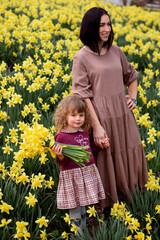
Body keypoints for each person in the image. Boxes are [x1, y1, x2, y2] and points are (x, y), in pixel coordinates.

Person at [72, 7, 148, 215]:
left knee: (130, 151)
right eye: (101, 25)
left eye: (108, 24)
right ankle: (107, 209)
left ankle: (132, 201)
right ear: (90, 28)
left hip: (124, 116)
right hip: (101, 117)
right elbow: (82, 96)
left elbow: (131, 76)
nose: (106, 29)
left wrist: (133, 98)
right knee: (107, 159)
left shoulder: (116, 51)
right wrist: (96, 127)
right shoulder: (81, 58)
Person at [51, 94, 108, 234]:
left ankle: (83, 230)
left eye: (81, 115)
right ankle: (78, 234)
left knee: (82, 205)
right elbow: (62, 162)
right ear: (65, 116)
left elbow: (89, 149)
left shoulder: (84, 133)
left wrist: (101, 145)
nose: (78, 119)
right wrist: (59, 155)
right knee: (75, 207)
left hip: (86, 173)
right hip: (73, 176)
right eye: (74, 115)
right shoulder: (61, 136)